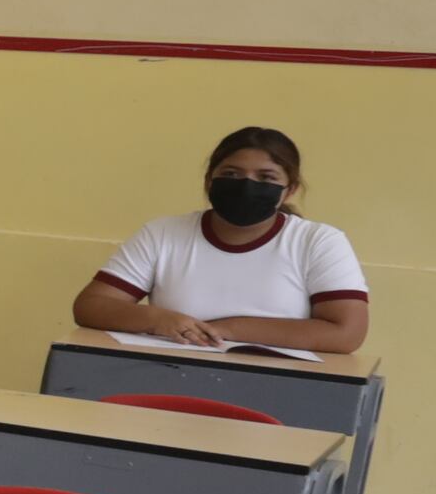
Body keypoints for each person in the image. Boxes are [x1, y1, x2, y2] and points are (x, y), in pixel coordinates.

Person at [72, 126, 369, 356]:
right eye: (231, 174)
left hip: (278, 386)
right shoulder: (162, 233)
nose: (246, 186)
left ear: (289, 190)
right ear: (209, 181)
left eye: (266, 178)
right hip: (167, 374)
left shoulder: (319, 241)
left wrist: (228, 328)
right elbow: (91, 306)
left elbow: (347, 333)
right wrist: (157, 319)